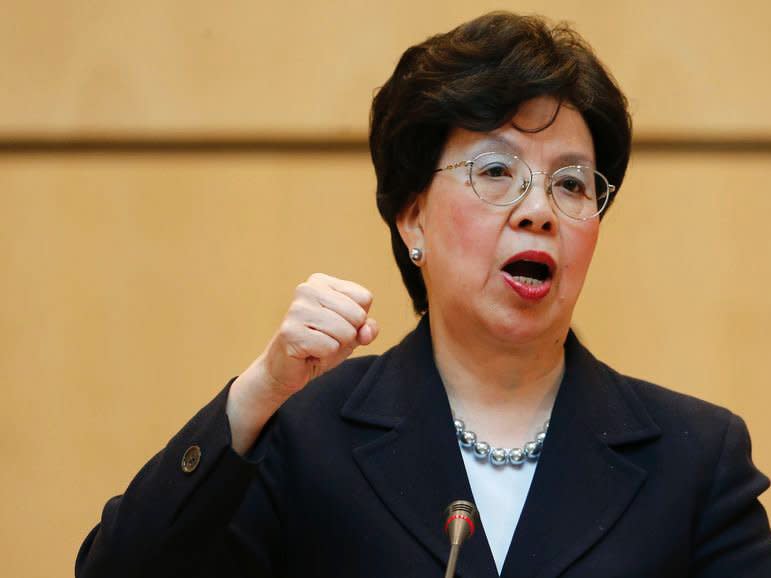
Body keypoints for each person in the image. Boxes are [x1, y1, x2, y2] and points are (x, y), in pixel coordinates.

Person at [76, 11, 771, 578]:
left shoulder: (693, 461)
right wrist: (258, 393)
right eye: (495, 170)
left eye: (570, 183)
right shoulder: (304, 438)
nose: (539, 210)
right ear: (412, 217)